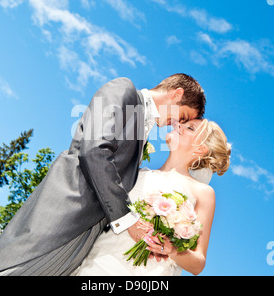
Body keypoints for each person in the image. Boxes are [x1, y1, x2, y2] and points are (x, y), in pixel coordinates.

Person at [0, 73, 206, 276]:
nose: (175, 125)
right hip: (66, 210)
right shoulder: (123, 89)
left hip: (88, 234)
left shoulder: (145, 132)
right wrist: (129, 221)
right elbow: (95, 150)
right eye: (182, 117)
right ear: (176, 94)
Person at [73, 118, 231, 276]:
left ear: (201, 149)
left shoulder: (203, 192)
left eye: (190, 128)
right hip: (99, 265)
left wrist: (171, 248)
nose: (179, 126)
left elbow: (198, 263)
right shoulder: (137, 173)